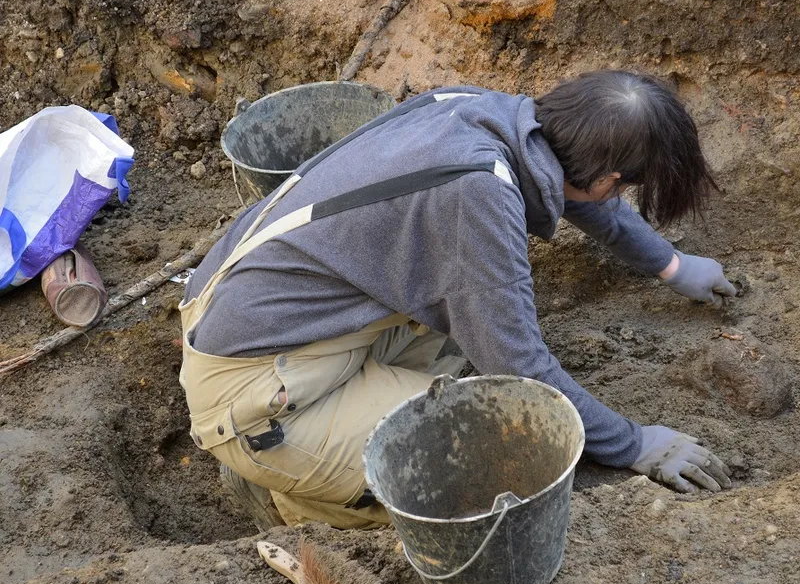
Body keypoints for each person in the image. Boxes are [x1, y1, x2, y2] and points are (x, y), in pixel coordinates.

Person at [179, 70, 744, 530]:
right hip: (255, 388)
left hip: (252, 315)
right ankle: (303, 504)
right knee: (497, 457)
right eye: (621, 187)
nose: (614, 197)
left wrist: (670, 265)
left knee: (470, 313)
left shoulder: (481, 110)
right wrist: (632, 444)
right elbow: (519, 364)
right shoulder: (476, 192)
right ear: (609, 178)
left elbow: (575, 188)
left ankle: (306, 457)